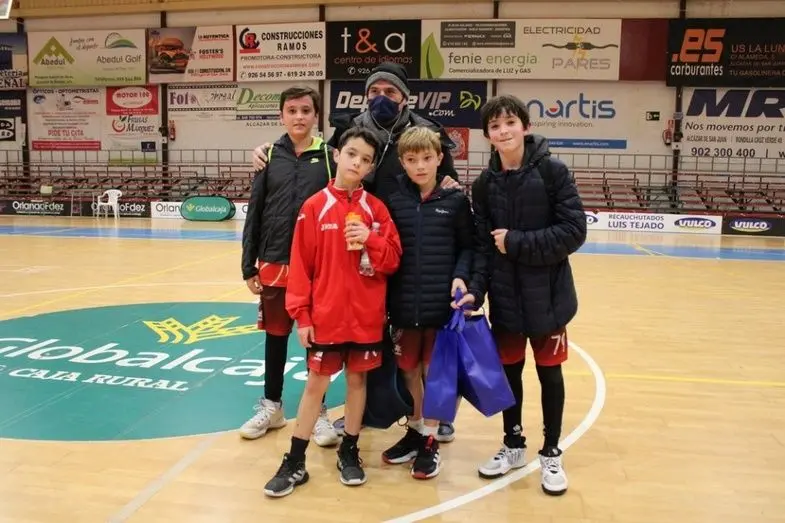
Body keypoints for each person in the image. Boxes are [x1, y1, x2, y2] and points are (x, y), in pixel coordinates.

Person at [251, 62, 461, 441]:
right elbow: (314, 166)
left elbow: (448, 182)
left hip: (411, 250)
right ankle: (366, 415)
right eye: (374, 92)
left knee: (424, 347)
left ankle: (434, 416)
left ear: (404, 97)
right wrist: (270, 152)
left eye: (390, 92)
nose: (382, 98)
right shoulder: (347, 132)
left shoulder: (426, 132)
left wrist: (449, 186)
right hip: (356, 252)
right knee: (374, 342)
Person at [455, 94, 587, 496]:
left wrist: (515, 242)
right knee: (509, 374)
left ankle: (551, 452)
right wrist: (475, 291)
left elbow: (574, 232)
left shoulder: (553, 172)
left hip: (549, 299)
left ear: (525, 127)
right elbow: (482, 247)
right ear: (488, 135)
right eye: (495, 126)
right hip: (506, 300)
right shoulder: (484, 184)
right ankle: (513, 444)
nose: (503, 131)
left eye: (510, 122)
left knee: (550, 374)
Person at [263, 126, 402, 498]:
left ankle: (349, 450)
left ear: (371, 168)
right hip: (326, 317)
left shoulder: (376, 209)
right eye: (352, 154)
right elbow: (300, 267)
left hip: (366, 319)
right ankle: (295, 460)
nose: (357, 163)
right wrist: (302, 316)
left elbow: (392, 260)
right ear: (337, 154)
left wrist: (371, 239)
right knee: (316, 385)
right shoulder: (314, 206)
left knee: (358, 383)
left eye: (366, 159)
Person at [239, 86, 340, 448]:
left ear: (316, 116)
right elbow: (255, 211)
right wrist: (248, 264)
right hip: (275, 260)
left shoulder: (330, 157)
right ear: (282, 115)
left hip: (318, 266)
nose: (299, 117)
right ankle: (273, 407)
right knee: (276, 336)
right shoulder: (268, 156)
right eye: (292, 110)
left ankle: (319, 411)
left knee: (318, 340)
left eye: (306, 110)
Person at [380, 126, 474, 479]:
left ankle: (431, 438)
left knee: (435, 373)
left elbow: (469, 247)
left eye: (426, 158)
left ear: (439, 158)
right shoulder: (394, 201)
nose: (420, 166)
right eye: (411, 159)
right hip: (404, 304)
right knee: (408, 369)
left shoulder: (455, 200)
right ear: (402, 162)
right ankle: (417, 428)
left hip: (440, 306)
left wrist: (461, 275)